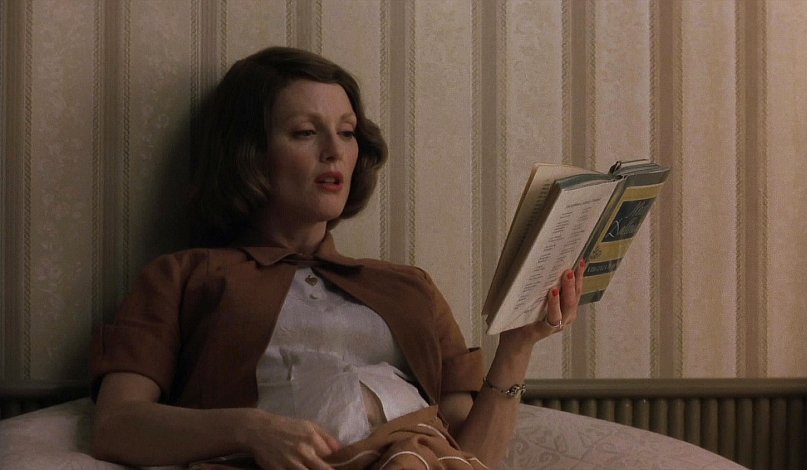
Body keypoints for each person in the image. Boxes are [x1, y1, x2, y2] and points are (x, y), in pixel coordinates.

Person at [89, 46, 585, 470]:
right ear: (250, 152)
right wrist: (249, 429)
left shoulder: (409, 287)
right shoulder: (185, 275)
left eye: (347, 133)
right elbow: (115, 425)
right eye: (305, 132)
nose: (334, 151)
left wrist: (518, 345)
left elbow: (469, 457)